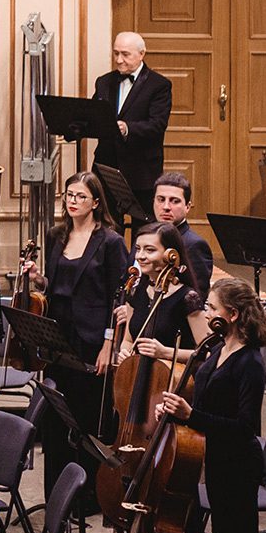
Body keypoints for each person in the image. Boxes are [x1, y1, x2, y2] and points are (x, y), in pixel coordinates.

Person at [154, 277, 266, 533]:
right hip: (217, 461)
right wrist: (175, 406)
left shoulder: (250, 362)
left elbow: (245, 426)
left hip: (238, 464)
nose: (205, 312)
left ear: (232, 315)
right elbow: (202, 401)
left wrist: (193, 416)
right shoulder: (218, 349)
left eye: (211, 307)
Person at [20, 171, 129, 497]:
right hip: (57, 335)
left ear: (96, 202)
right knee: (56, 416)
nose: (73, 201)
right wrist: (39, 279)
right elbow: (56, 288)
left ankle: (85, 498)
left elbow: (117, 296)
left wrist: (110, 344)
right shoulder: (56, 235)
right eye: (69, 195)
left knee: (83, 418)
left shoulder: (110, 241)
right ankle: (57, 493)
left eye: (81, 196)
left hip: (92, 339)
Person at [107, 223, 201, 397]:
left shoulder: (188, 298)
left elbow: (207, 354)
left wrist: (165, 352)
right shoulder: (136, 290)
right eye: (138, 249)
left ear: (169, 254)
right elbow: (128, 339)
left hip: (170, 388)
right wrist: (124, 352)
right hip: (135, 381)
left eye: (149, 250)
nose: (140, 256)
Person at [90, 32, 172, 217]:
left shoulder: (159, 85)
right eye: (116, 53)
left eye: (125, 54)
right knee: (107, 226)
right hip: (107, 167)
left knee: (143, 230)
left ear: (142, 54)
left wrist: (128, 128)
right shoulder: (104, 82)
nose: (119, 60)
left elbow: (157, 125)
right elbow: (96, 116)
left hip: (141, 169)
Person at [151, 172, 214, 301]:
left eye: (175, 201)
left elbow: (196, 297)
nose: (166, 207)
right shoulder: (145, 239)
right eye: (161, 199)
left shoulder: (195, 245)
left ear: (187, 207)